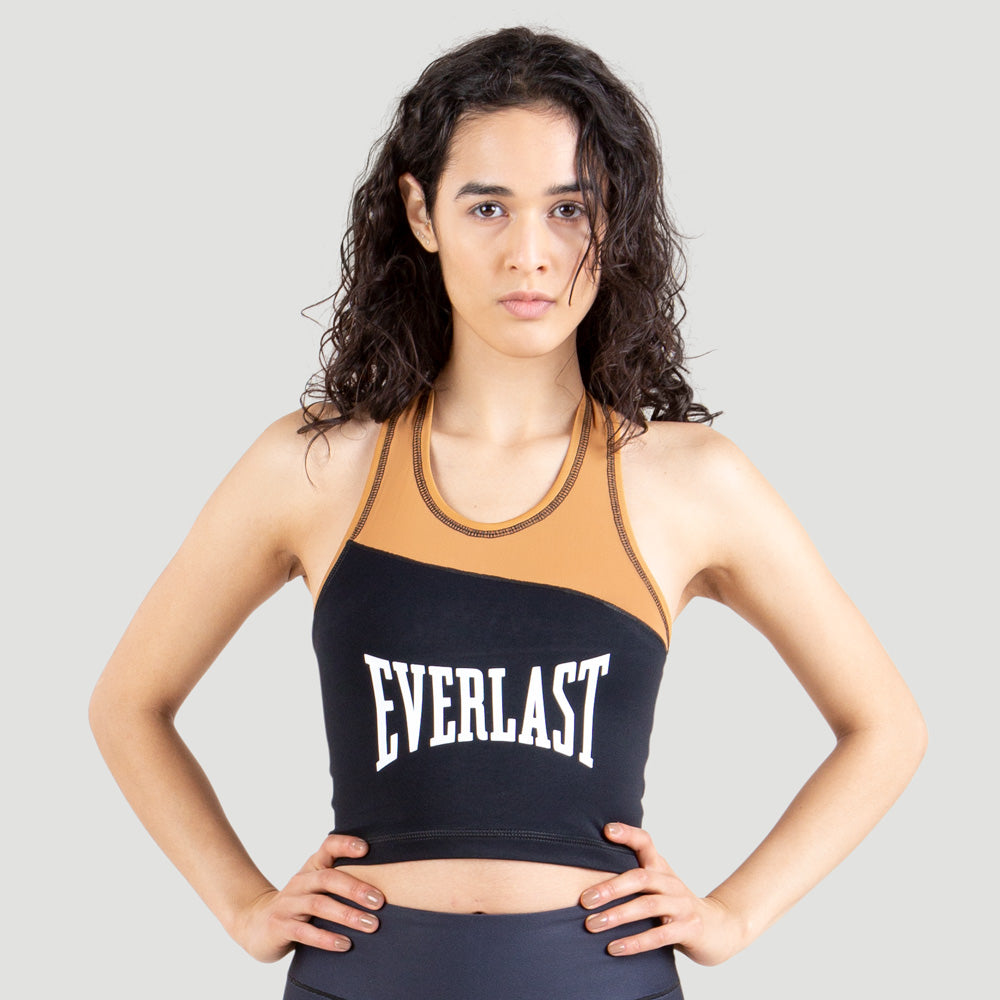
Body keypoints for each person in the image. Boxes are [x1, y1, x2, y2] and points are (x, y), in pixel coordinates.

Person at [89, 25, 927, 1000]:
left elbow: (886, 726)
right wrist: (241, 904)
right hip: (362, 981)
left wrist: (734, 915)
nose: (529, 255)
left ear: (613, 221)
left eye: (568, 209)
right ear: (422, 212)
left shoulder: (688, 481)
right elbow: (127, 704)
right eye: (487, 206)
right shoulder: (313, 467)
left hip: (600, 981)